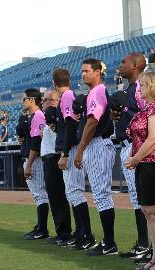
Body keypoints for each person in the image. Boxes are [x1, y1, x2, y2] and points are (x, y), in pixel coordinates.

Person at [125, 71, 155, 270]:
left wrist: (136, 158)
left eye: (143, 85)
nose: (140, 88)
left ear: (153, 85)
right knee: (147, 210)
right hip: (145, 163)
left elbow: (154, 138)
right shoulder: (147, 108)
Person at [74, 59, 117, 256]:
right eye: (82, 71)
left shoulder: (97, 91)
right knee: (100, 195)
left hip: (98, 144)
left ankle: (109, 242)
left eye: (87, 71)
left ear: (98, 72)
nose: (83, 74)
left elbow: (92, 123)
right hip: (96, 145)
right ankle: (108, 241)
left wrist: (80, 149)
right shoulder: (94, 91)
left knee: (101, 194)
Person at [112, 53, 151, 262]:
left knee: (142, 199)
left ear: (135, 65)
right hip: (127, 146)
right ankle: (143, 244)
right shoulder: (127, 89)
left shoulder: (141, 88)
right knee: (136, 198)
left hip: (137, 147)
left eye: (124, 62)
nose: (120, 65)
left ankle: (147, 246)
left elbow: (149, 116)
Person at [53, 69, 95, 250]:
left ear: (54, 83)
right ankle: (80, 234)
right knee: (72, 192)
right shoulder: (67, 96)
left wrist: (65, 154)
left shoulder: (68, 96)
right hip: (70, 148)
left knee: (75, 192)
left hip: (71, 149)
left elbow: (71, 125)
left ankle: (86, 235)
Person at [40, 90, 73, 245]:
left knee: (58, 197)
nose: (43, 102)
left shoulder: (55, 115)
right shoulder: (50, 116)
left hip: (55, 157)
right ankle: (61, 231)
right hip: (49, 157)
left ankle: (64, 233)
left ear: (54, 101)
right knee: (55, 197)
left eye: (45, 99)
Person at [22, 88, 50, 241]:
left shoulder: (38, 115)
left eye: (24, 99)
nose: (23, 101)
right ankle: (40, 226)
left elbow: (36, 141)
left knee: (40, 195)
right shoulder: (34, 115)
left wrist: (29, 165)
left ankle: (43, 229)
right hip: (35, 159)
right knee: (38, 195)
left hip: (36, 160)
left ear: (32, 100)